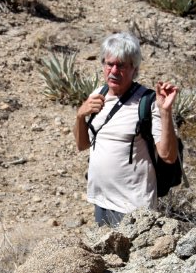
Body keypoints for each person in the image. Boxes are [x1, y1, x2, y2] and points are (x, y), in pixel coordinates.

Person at [74, 32, 179, 227]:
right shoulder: (98, 94)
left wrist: (165, 112)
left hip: (133, 207)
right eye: (109, 64)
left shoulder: (147, 102)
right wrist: (81, 115)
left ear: (134, 68)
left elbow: (168, 156)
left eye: (121, 65)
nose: (113, 70)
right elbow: (82, 145)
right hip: (101, 200)